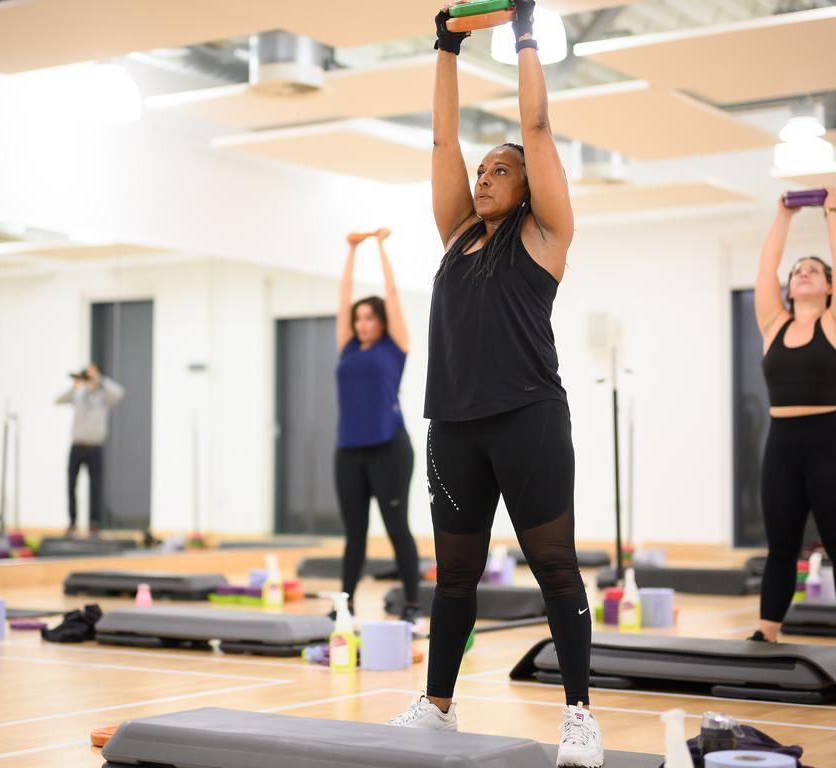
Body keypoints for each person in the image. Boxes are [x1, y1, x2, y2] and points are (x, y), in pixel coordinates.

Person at [388, 4, 603, 766]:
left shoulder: (546, 236)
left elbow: (537, 129)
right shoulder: (455, 234)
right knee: (453, 578)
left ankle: (579, 716)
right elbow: (444, 140)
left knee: (554, 567)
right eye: (482, 172)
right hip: (453, 424)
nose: (483, 177)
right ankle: (438, 705)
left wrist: (523, 32)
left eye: (499, 170)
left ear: (528, 185)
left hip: (529, 419)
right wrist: (446, 47)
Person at [752, 186, 836, 643]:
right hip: (782, 444)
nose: (803, 274)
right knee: (781, 547)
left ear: (829, 285)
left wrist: (831, 212)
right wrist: (783, 215)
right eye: (798, 271)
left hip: (829, 440)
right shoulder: (774, 324)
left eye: (815, 270)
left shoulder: (831, 323)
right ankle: (767, 633)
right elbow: (767, 267)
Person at [334, 228, 420, 621]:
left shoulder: (395, 346)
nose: (362, 323)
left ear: (382, 321)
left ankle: (413, 605)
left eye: (369, 317)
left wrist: (382, 249)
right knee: (354, 535)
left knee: (396, 529)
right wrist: (351, 252)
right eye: (358, 318)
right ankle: (345, 604)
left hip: (389, 449)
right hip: (349, 451)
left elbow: (393, 296)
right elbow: (343, 297)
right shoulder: (348, 348)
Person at [56, 363, 124, 535]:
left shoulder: (104, 395)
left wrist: (99, 380)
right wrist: (75, 386)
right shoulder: (78, 393)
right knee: (71, 484)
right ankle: (72, 522)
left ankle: (94, 522)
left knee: (96, 487)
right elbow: (58, 400)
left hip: (95, 447)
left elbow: (119, 393)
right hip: (77, 445)